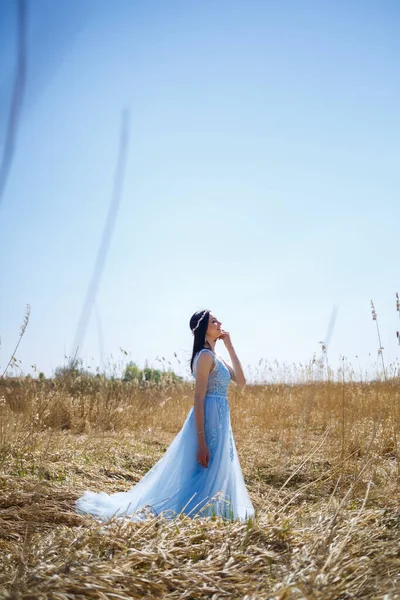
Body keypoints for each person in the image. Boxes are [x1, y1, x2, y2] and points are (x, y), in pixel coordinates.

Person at [74, 309, 255, 522]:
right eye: (214, 321)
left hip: (222, 419)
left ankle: (214, 511)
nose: (219, 323)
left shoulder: (217, 357)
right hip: (208, 418)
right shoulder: (205, 356)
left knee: (216, 466)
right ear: (204, 328)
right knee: (205, 467)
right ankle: (197, 512)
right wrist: (201, 441)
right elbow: (198, 398)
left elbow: (242, 382)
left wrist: (230, 346)